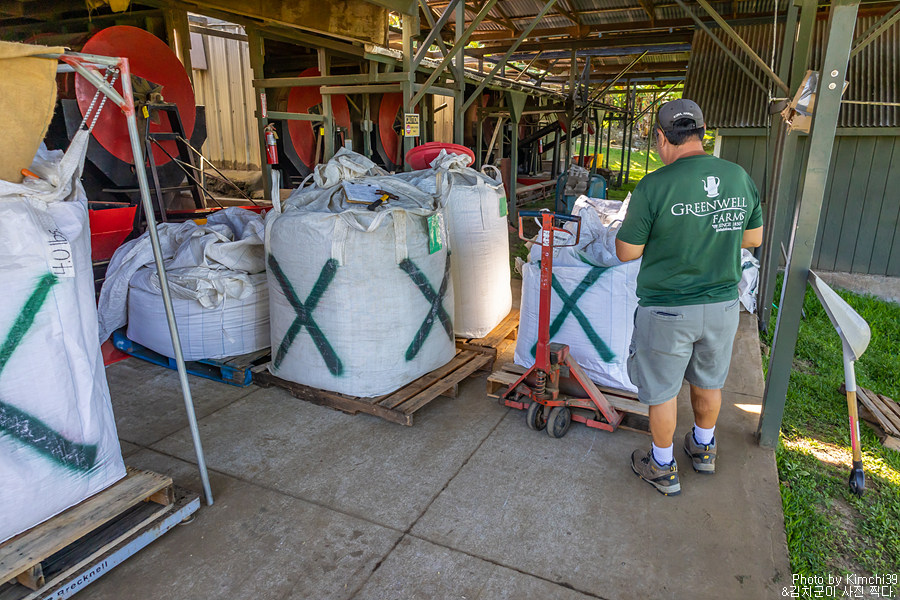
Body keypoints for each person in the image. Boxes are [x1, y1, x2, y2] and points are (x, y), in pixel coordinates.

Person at [615, 99, 763, 496]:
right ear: (701, 133)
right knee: (709, 381)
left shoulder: (654, 185)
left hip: (668, 310)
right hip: (722, 306)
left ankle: (662, 467)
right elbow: (753, 238)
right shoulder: (737, 176)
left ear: (662, 138)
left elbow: (626, 251)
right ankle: (703, 447)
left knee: (663, 392)